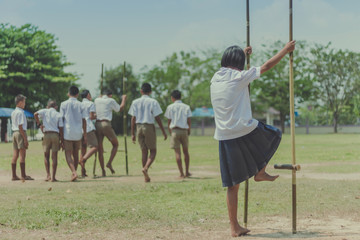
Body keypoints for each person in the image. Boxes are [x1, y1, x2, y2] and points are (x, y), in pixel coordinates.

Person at [210, 40, 296, 237]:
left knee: (233, 185)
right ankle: (260, 171)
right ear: (240, 63)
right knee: (274, 134)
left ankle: (234, 227)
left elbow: (232, 66)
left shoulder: (215, 78)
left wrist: (243, 53)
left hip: (224, 136)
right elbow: (265, 66)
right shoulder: (239, 77)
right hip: (244, 130)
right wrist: (286, 50)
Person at [128, 83, 167, 182]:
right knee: (153, 151)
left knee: (144, 151)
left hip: (138, 127)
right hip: (148, 126)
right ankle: (145, 168)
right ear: (150, 92)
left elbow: (133, 118)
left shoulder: (135, 102)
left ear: (141, 91)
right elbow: (157, 117)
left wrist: (132, 133)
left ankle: (146, 176)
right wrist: (163, 131)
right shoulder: (153, 102)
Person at [94, 89, 127, 176]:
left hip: (97, 124)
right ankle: (109, 163)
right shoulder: (110, 100)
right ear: (110, 95)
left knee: (100, 149)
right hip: (106, 124)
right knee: (115, 144)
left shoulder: (96, 100)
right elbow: (120, 109)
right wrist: (124, 99)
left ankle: (103, 170)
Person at [60, 86, 87, 181]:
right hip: (78, 132)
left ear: (68, 93)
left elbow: (61, 120)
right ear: (77, 94)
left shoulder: (63, 104)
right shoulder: (81, 105)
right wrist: (85, 135)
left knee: (68, 154)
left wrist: (61, 136)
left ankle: (74, 172)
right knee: (76, 154)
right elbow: (84, 121)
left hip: (67, 132)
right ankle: (75, 172)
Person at [164, 90, 192, 178]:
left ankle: (181, 173)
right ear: (181, 97)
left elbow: (169, 121)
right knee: (186, 152)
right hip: (184, 130)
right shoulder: (186, 107)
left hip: (175, 131)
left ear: (172, 98)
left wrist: (169, 130)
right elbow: (189, 120)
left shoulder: (170, 107)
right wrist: (189, 129)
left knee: (177, 153)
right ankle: (187, 172)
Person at [34, 100, 63, 182]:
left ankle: (48, 175)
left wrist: (39, 124)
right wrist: (62, 140)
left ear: (48, 106)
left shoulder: (44, 111)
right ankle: (53, 177)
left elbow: (35, 114)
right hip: (55, 135)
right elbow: (61, 128)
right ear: (56, 107)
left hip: (46, 134)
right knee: (54, 156)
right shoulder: (58, 114)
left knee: (46, 156)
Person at [11, 94, 34, 181]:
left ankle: (14, 175)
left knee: (15, 154)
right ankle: (23, 175)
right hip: (20, 133)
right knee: (22, 155)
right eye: (24, 102)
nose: (25, 104)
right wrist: (25, 139)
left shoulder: (13, 112)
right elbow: (20, 126)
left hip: (14, 133)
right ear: (20, 103)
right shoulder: (20, 112)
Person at [79, 90, 98, 177]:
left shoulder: (79, 104)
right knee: (95, 146)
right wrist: (97, 115)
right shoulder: (91, 103)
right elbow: (91, 116)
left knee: (83, 149)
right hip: (88, 127)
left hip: (80, 128)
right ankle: (83, 159)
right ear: (88, 95)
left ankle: (83, 171)